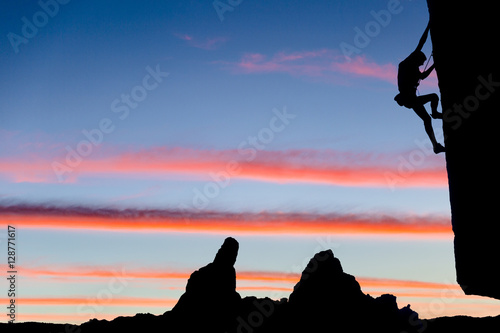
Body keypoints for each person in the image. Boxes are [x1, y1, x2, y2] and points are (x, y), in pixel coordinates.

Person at [395, 23, 445, 154]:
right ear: (417, 59)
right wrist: (429, 26)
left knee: (426, 119)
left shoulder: (413, 68)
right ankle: (435, 114)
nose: (422, 64)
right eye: (422, 62)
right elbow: (421, 43)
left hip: (410, 99)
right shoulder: (407, 64)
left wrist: (435, 64)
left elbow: (423, 76)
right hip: (409, 98)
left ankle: (435, 146)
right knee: (433, 98)